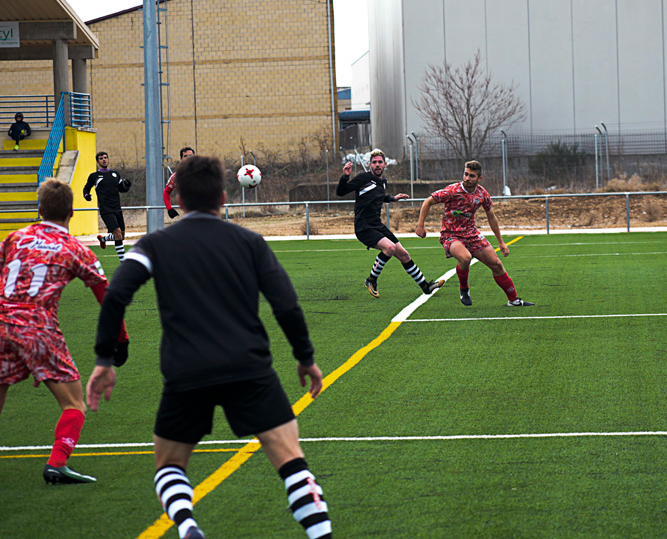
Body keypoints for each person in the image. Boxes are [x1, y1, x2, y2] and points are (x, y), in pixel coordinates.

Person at [86, 155, 331, 539]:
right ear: (222, 195)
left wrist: (105, 358)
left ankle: (186, 526)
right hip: (249, 368)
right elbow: (285, 303)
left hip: (186, 372)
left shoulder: (156, 244)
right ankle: (321, 534)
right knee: (291, 460)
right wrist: (305, 358)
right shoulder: (250, 242)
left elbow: (116, 293)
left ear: (178, 199)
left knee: (169, 465)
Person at [0, 178, 128, 485]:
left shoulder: (14, 238)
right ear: (71, 212)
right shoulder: (74, 249)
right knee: (74, 404)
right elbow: (108, 299)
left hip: (2, 320)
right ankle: (57, 463)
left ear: (39, 208)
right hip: (37, 328)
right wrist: (121, 340)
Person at [415, 160, 533, 307]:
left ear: (479, 178)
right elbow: (428, 202)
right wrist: (420, 225)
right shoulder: (452, 190)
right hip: (451, 235)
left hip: (472, 235)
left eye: (471, 176)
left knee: (496, 264)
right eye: (466, 174)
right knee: (465, 258)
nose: (467, 178)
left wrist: (501, 242)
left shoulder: (482, 194)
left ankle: (513, 300)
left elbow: (491, 216)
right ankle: (464, 289)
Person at [336, 149, 444, 298]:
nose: (377, 165)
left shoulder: (383, 181)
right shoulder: (363, 178)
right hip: (364, 227)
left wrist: (393, 198)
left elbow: (377, 196)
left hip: (377, 225)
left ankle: (425, 286)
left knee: (404, 255)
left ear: (385, 164)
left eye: (380, 162)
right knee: (390, 248)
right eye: (374, 162)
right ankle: (371, 280)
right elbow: (341, 192)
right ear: (369, 165)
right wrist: (345, 176)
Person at [83, 151, 131, 261]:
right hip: (106, 209)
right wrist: (86, 195)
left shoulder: (115, 174)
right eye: (101, 158)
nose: (104, 160)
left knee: (121, 236)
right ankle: (123, 262)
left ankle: (104, 239)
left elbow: (121, 189)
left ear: (108, 159)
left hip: (117, 208)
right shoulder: (94, 176)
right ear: (97, 161)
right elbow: (86, 188)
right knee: (118, 234)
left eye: (105, 158)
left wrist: (127, 186)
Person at [163, 146, 196, 219]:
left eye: (190, 156)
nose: (188, 158)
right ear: (181, 159)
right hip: (187, 213)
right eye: (185, 156)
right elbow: (166, 192)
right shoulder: (176, 177)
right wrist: (169, 208)